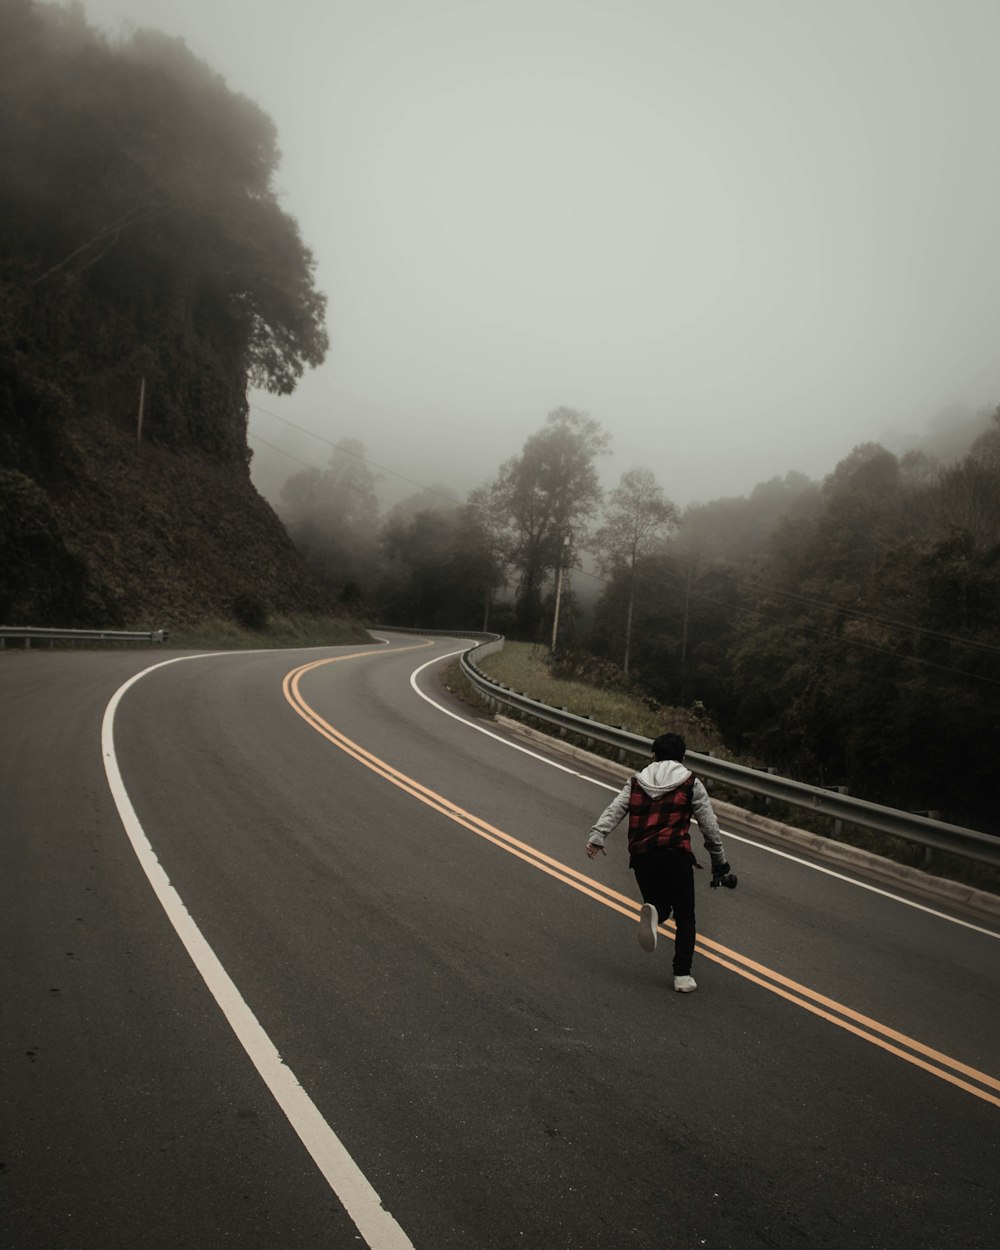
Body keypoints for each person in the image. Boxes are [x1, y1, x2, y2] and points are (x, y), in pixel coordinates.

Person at [585, 732, 736, 993]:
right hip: (674, 855)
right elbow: (710, 827)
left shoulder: (636, 781)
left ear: (653, 755)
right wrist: (719, 862)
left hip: (642, 857)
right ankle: (682, 975)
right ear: (683, 758)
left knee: (657, 905)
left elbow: (617, 808)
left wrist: (598, 836)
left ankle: (656, 914)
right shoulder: (690, 783)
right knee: (686, 916)